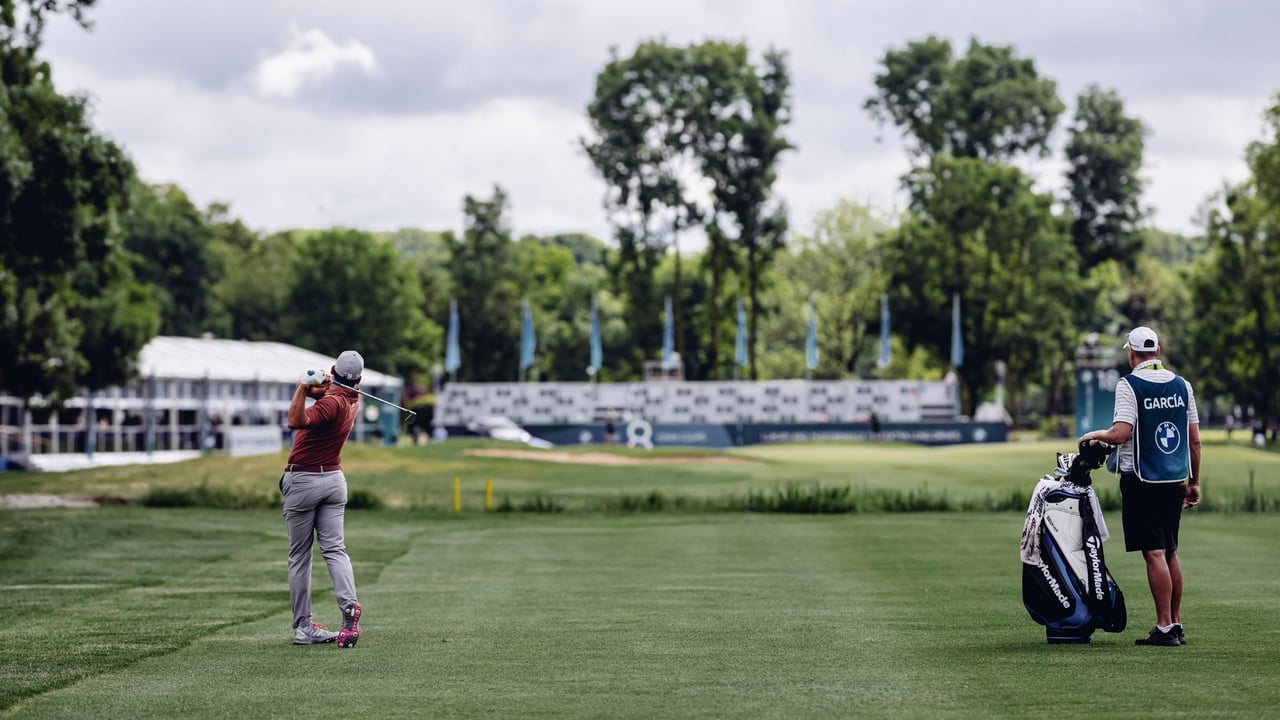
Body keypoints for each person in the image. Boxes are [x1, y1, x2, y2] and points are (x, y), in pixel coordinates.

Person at [1079, 326, 1200, 647]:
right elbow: (1194, 441)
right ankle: (1175, 623)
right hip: (1175, 479)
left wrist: (1093, 435)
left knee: (1154, 552)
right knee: (1170, 551)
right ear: (1157, 351)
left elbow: (1120, 433)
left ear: (1131, 353)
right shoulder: (1183, 385)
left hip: (1142, 481)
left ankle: (1164, 627)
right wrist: (1194, 481)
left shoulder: (1129, 385)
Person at [280, 350, 365, 647]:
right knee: (335, 550)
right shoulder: (351, 399)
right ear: (359, 380)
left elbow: (295, 419)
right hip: (333, 480)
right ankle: (349, 605)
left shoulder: (332, 403)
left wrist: (302, 385)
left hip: (304, 480)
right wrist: (318, 384)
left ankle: (304, 628)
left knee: (300, 557)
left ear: (334, 370)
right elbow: (326, 395)